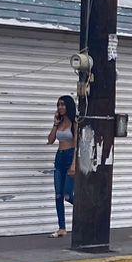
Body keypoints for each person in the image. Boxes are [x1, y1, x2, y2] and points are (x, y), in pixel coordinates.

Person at [49, 95, 78, 237]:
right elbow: (50, 140)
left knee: (67, 194)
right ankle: (62, 227)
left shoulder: (75, 122)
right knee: (58, 194)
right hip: (59, 157)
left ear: (69, 107)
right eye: (59, 105)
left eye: (63, 105)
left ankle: (84, 208)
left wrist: (74, 164)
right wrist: (55, 124)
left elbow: (78, 145)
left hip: (70, 156)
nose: (60, 107)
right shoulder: (59, 123)